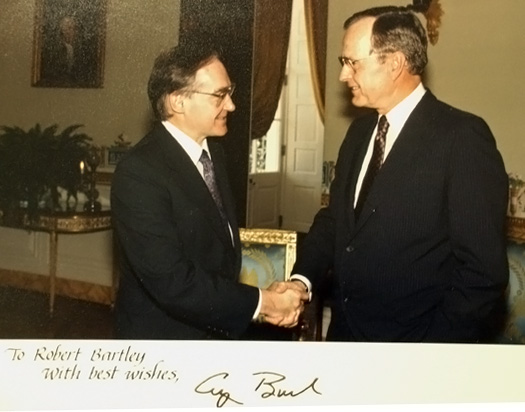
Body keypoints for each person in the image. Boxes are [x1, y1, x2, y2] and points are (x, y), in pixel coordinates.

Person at [289, 6, 509, 342]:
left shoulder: (461, 138)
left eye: (352, 63)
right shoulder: (358, 134)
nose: (343, 76)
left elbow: (482, 273)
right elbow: (335, 221)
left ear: (394, 64)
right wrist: (301, 280)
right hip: (344, 342)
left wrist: (427, 354)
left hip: (416, 353)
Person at [111, 43, 307, 339]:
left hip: (215, 332)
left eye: (230, 92)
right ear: (178, 101)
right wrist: (265, 302)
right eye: (219, 95)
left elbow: (216, 254)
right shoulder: (139, 172)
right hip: (166, 342)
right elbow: (172, 282)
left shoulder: (215, 153)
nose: (231, 105)